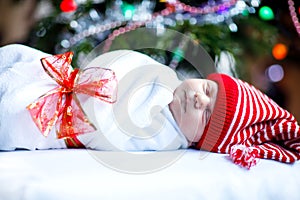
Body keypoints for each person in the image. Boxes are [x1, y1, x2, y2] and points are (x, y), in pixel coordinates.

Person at [0, 44, 299, 169]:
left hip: (60, 115)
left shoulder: (164, 135)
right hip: (66, 78)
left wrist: (91, 93)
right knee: (16, 54)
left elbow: (110, 128)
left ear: (201, 140)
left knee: (13, 114)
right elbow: (125, 62)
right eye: (207, 89)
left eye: (206, 114)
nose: (199, 98)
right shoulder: (168, 83)